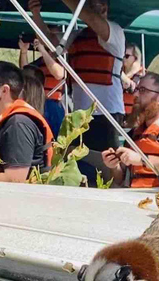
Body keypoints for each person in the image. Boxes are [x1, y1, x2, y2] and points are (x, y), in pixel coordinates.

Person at [29, 0, 126, 186]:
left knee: (108, 164)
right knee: (79, 161)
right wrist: (36, 14)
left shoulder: (116, 33)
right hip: (81, 115)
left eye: (92, 4)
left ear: (104, 8)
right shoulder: (78, 35)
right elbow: (49, 42)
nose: (88, 7)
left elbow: (88, 16)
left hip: (106, 114)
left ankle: (114, 190)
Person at [101, 72, 159, 187]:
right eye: (137, 89)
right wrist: (114, 166)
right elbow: (120, 179)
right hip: (134, 199)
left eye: (142, 90)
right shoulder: (135, 133)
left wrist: (142, 160)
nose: (135, 94)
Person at [0, 61, 54, 182]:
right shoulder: (3, 121)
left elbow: (15, 179)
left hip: (19, 199)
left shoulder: (18, 124)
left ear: (4, 91)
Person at [19, 31, 66, 137]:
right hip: (37, 101)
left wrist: (43, 50)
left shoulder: (62, 60)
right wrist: (24, 51)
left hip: (55, 104)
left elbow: (59, 74)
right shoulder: (40, 62)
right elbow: (26, 73)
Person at [121, 43, 144, 116]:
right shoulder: (121, 73)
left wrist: (122, 75)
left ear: (136, 58)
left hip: (133, 116)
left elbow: (131, 88)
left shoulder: (141, 74)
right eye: (122, 55)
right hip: (119, 113)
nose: (123, 58)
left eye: (126, 56)